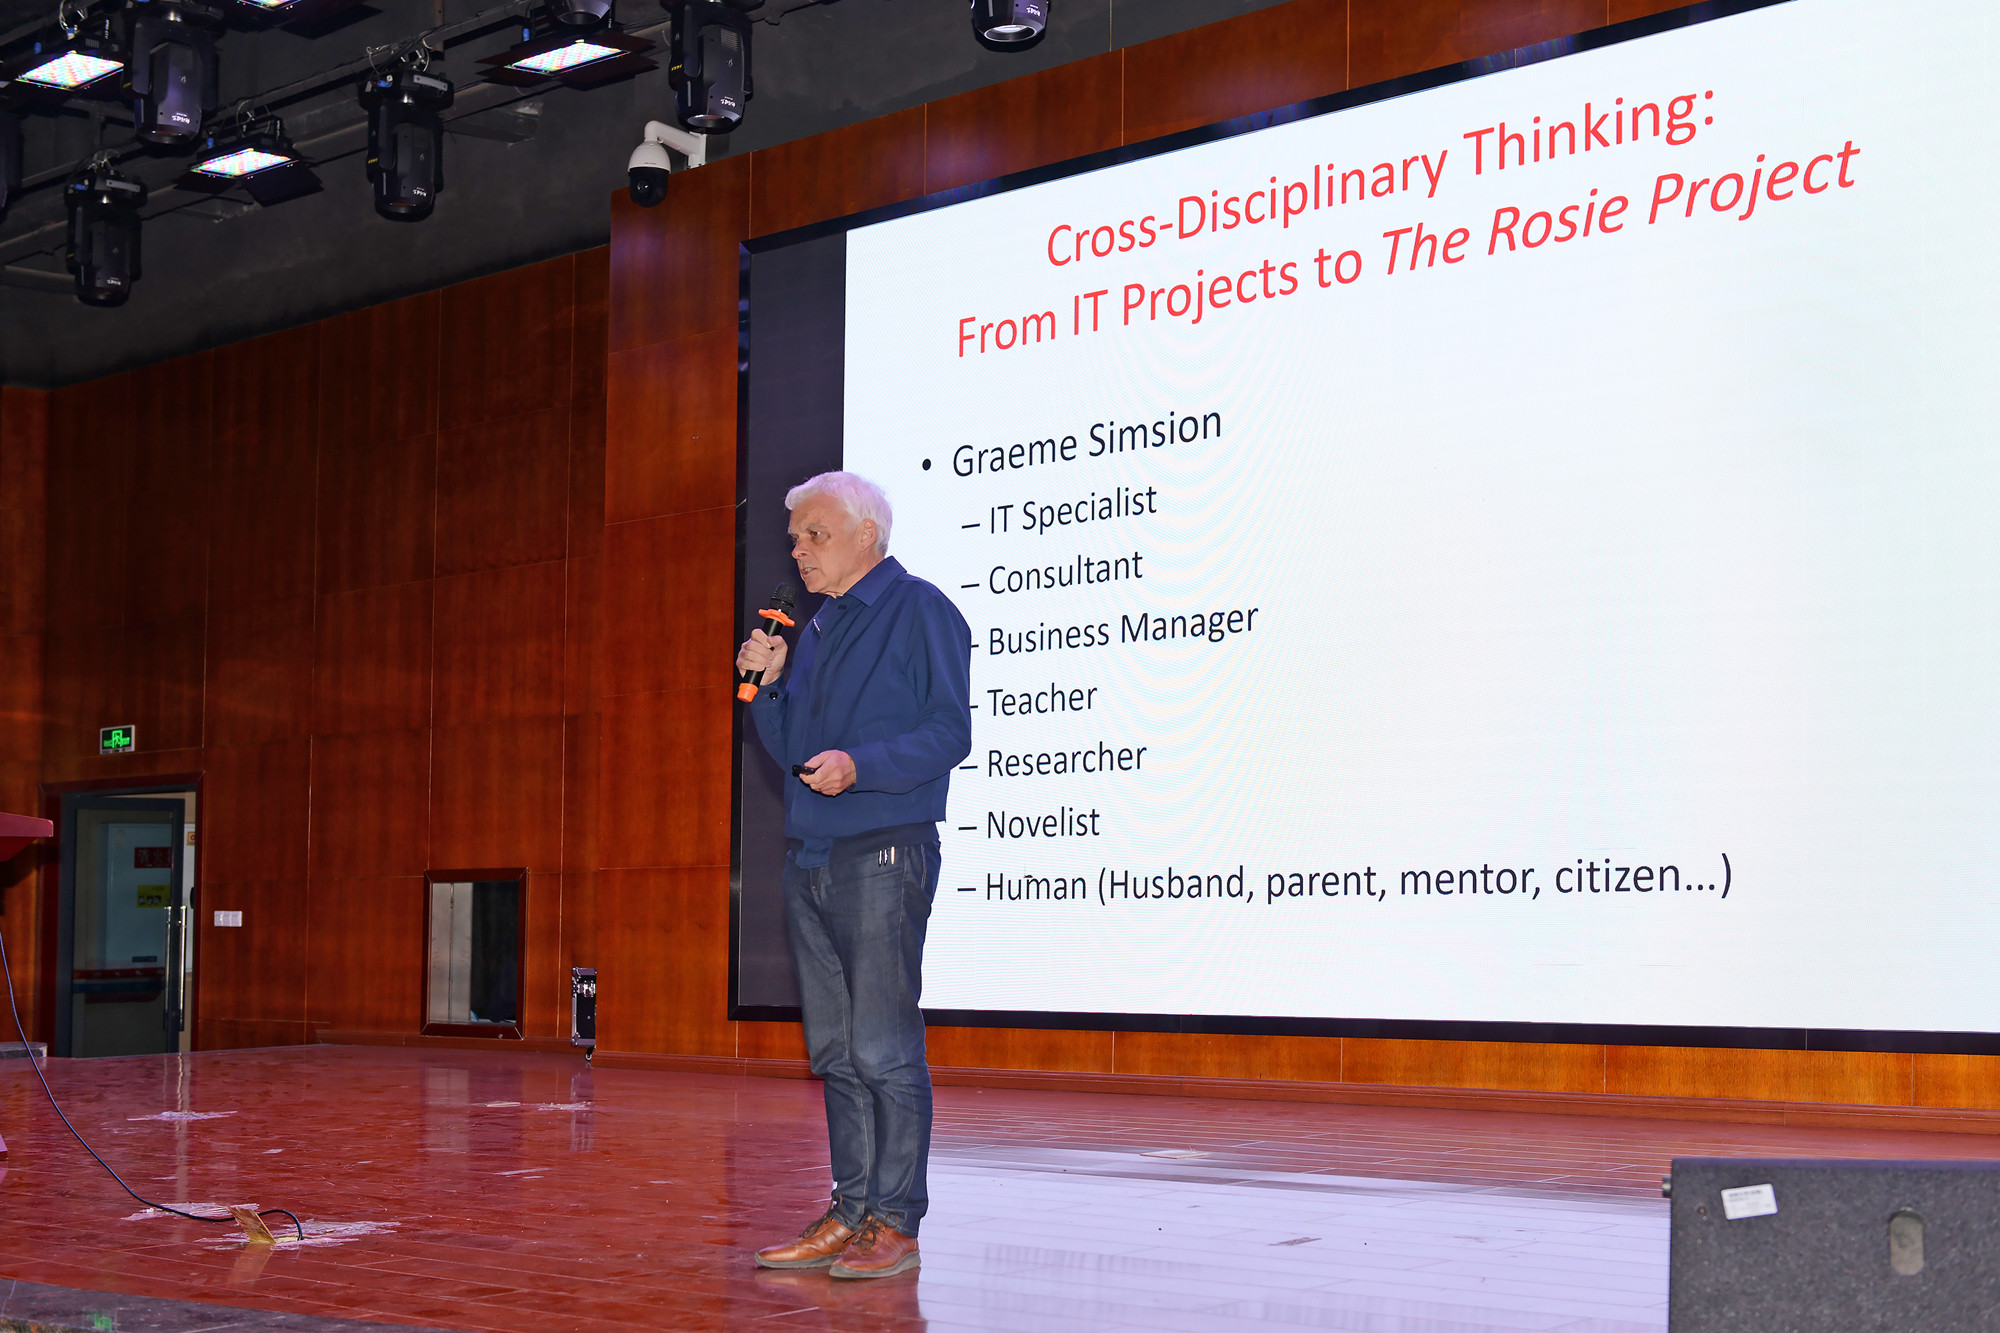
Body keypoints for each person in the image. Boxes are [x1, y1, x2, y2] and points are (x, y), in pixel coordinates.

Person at [736, 470, 971, 1281]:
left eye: (815, 534)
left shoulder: (920, 609)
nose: (799, 550)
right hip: (811, 856)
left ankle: (895, 1222)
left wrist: (862, 765)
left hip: (883, 853)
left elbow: (949, 732)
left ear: (867, 533)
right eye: (796, 538)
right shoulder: (819, 628)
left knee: (882, 1046)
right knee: (837, 1050)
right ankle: (850, 1211)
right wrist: (769, 690)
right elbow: (795, 754)